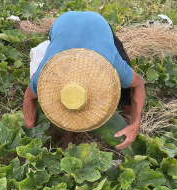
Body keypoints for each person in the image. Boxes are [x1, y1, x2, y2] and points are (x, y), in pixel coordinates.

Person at [23, 11, 145, 150]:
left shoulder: (113, 64)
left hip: (97, 23)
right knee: (70, 97)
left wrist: (135, 124)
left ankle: (128, 117)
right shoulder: (47, 73)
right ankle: (68, 138)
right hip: (62, 23)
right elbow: (29, 97)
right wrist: (30, 131)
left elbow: (138, 84)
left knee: (125, 88)